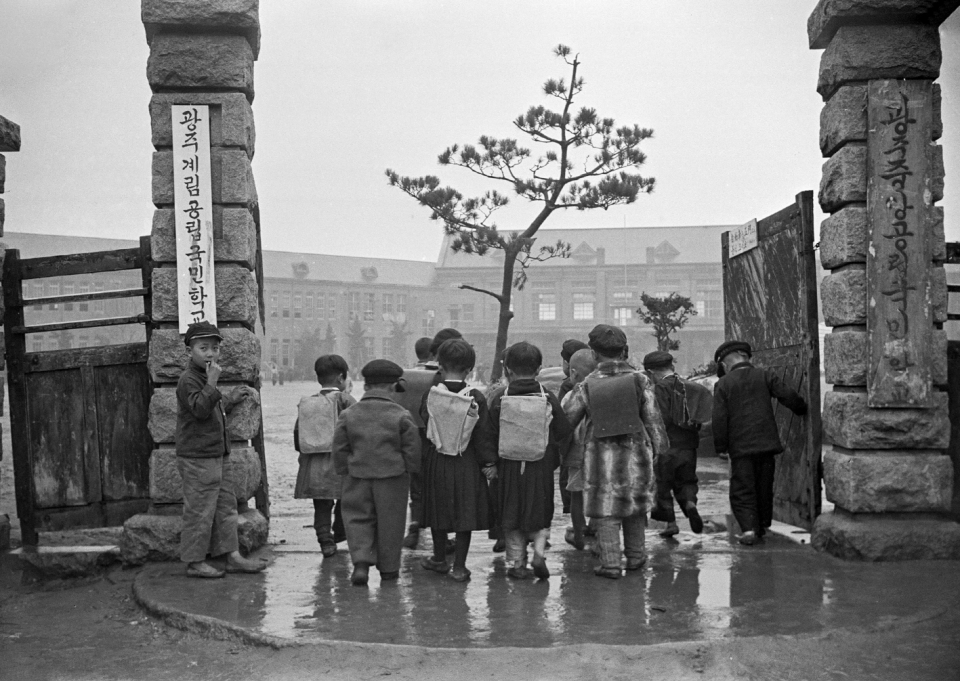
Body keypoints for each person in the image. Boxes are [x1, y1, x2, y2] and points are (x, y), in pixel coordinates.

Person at [564, 325, 666, 579]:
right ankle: (636, 557)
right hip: (636, 454)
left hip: (600, 457)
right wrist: (659, 448)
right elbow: (653, 419)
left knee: (607, 510)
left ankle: (610, 564)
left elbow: (567, 421)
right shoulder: (641, 380)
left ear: (594, 354)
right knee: (635, 506)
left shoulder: (586, 386)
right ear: (625, 351)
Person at [176, 321, 265, 578]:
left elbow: (212, 406)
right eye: (203, 348)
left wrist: (230, 398)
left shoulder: (205, 378)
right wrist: (213, 384)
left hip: (218, 454)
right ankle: (194, 562)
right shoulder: (188, 379)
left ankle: (232, 556)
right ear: (189, 351)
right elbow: (200, 409)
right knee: (200, 510)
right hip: (197, 457)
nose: (211, 354)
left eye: (215, 348)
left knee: (226, 507)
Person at [488, 342, 572, 580]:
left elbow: (487, 433)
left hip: (507, 468)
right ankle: (538, 550)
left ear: (508, 370)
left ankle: (517, 564)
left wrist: (489, 463)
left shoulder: (498, 397)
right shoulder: (547, 396)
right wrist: (552, 456)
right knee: (540, 509)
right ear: (539, 369)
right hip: (540, 466)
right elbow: (563, 430)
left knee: (511, 515)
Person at [333, 359, 421, 585]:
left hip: (357, 476)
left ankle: (361, 564)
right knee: (391, 523)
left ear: (366, 385)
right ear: (393, 387)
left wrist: (345, 470)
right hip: (392, 478)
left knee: (357, 519)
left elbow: (340, 448)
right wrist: (410, 472)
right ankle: (389, 569)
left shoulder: (349, 414)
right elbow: (412, 449)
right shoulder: (402, 415)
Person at [712, 340, 807, 546]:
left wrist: (721, 447)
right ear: (746, 357)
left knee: (742, 489)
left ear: (726, 363)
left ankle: (748, 530)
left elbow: (720, 419)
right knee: (764, 486)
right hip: (766, 444)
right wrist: (801, 409)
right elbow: (788, 395)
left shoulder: (724, 384)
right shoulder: (764, 375)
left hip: (741, 448)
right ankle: (763, 526)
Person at [418, 339, 497, 582]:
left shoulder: (431, 395)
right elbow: (483, 435)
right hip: (467, 462)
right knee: (465, 514)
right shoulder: (475, 397)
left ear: (440, 365)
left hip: (437, 460)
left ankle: (439, 558)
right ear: (469, 369)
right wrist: (489, 464)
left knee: (438, 510)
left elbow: (424, 425)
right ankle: (460, 567)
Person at [397, 328, 463, 550]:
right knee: (440, 486)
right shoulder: (447, 375)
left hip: (412, 434)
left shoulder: (408, 374)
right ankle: (442, 538)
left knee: (416, 485)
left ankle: (415, 524)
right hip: (439, 435)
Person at [293, 354, 356, 557]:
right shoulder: (346, 400)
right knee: (344, 499)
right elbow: (357, 428)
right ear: (341, 378)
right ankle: (339, 531)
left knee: (321, 504)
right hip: (340, 463)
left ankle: (325, 540)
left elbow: (298, 434)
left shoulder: (308, 403)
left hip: (315, 463)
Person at [643, 351, 709, 538]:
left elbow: (657, 419)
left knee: (662, 485)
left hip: (666, 447)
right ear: (671, 367)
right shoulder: (690, 387)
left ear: (650, 372)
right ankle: (690, 504)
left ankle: (671, 524)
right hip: (689, 446)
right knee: (687, 480)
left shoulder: (658, 390)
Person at [560, 348, 598, 551]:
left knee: (577, 496)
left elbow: (563, 424)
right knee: (599, 493)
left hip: (576, 455)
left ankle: (579, 537)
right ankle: (597, 531)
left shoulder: (570, 396)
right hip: (600, 453)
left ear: (573, 373)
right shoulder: (603, 392)